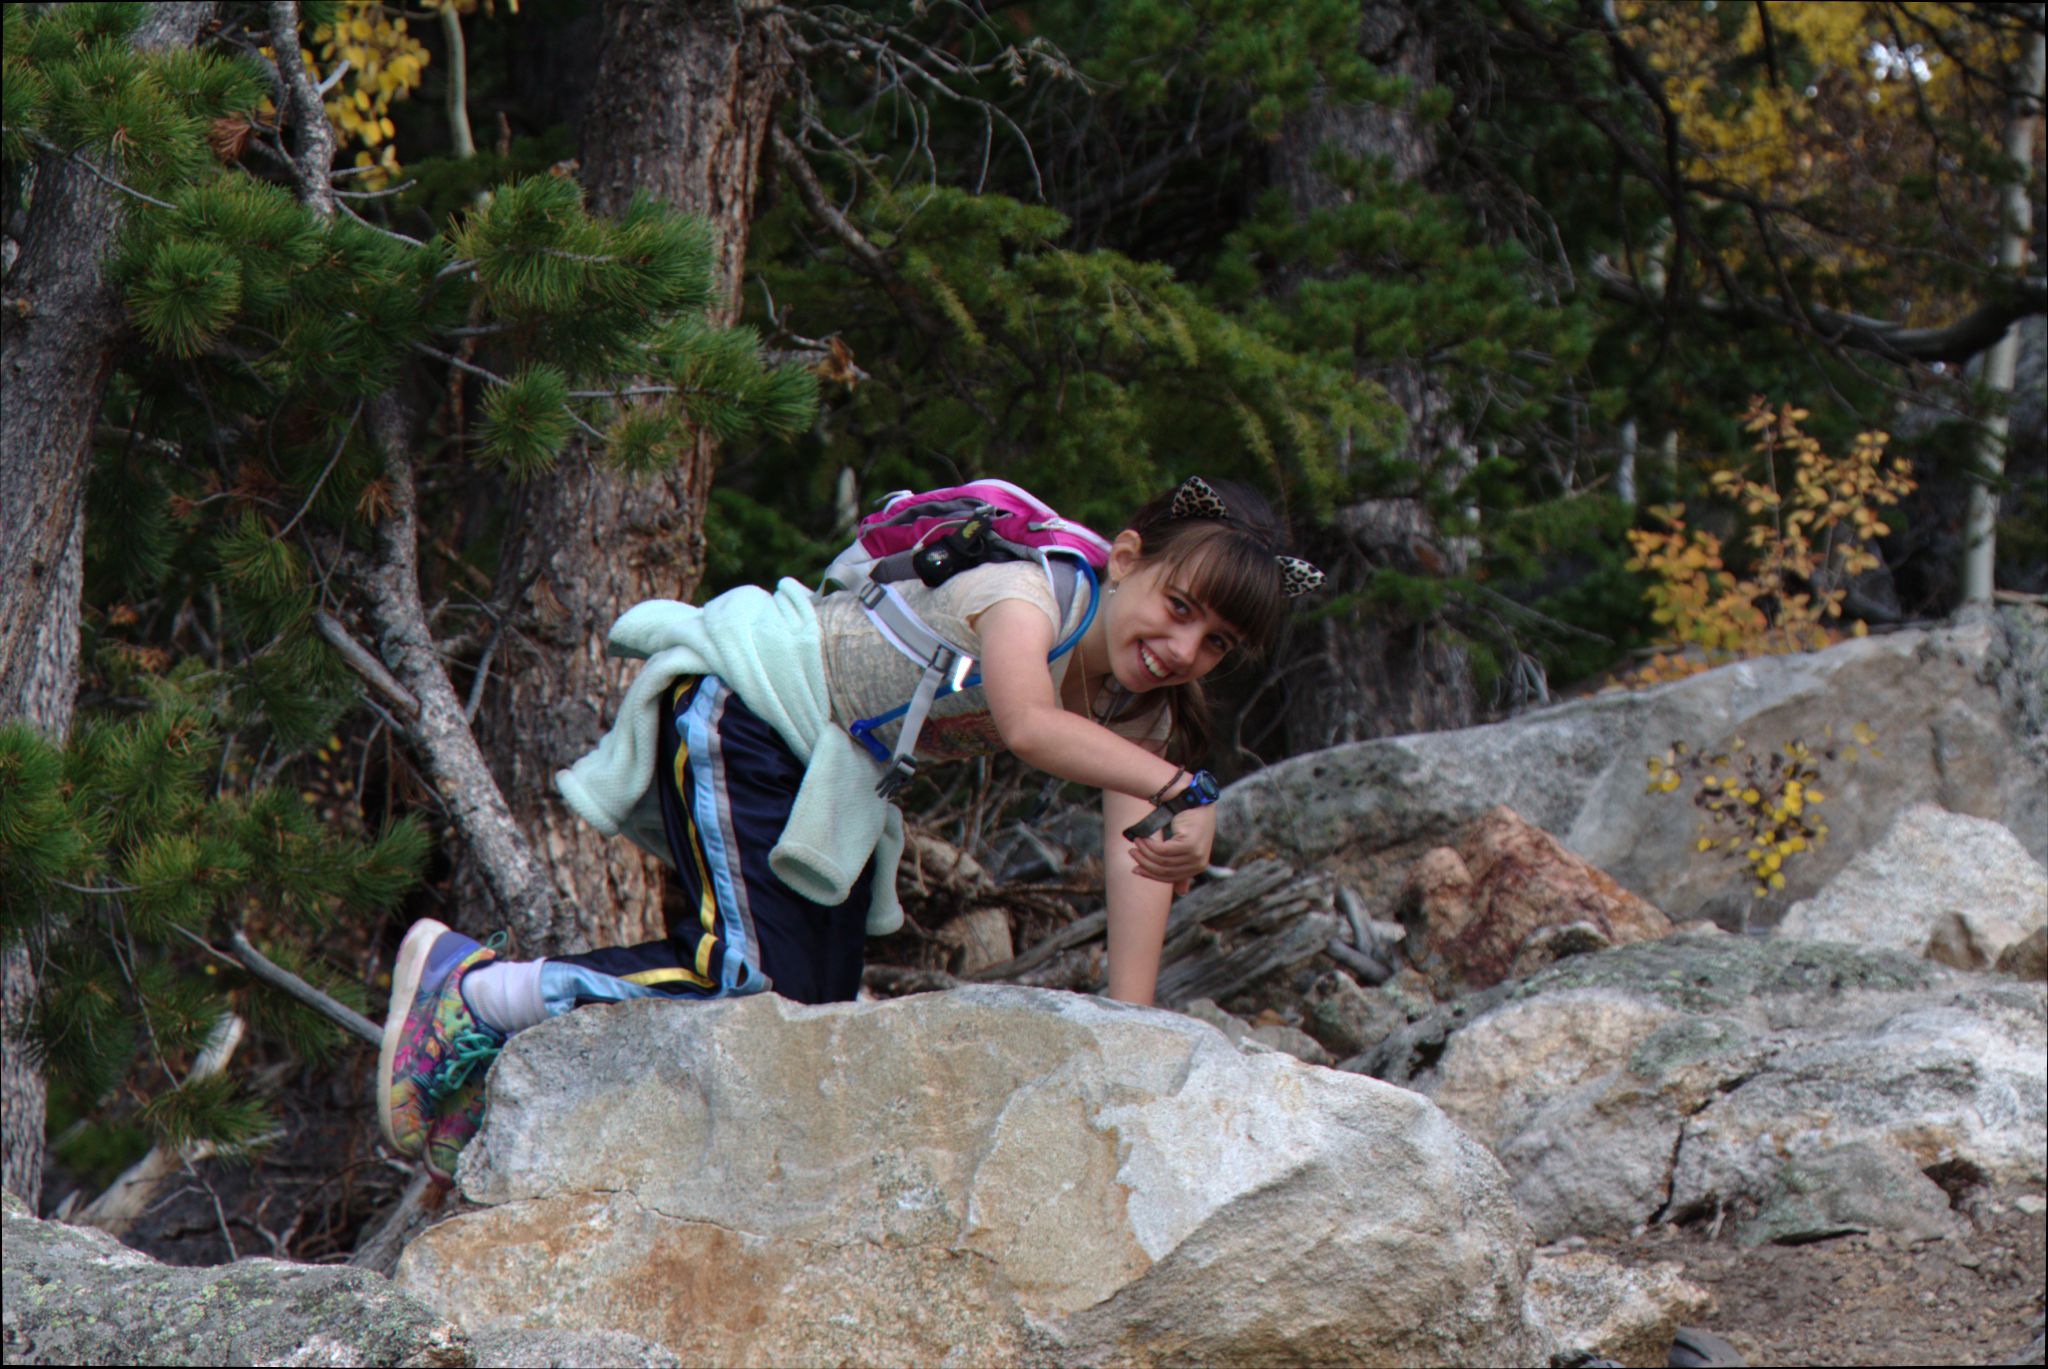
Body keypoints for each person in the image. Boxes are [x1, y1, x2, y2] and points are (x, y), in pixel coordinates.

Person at [376, 476, 1322, 1183]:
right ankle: (478, 993)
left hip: (817, 770)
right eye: (1179, 607)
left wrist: (1135, 1036)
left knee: (809, 1032)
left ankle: (488, 1082)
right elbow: (1032, 724)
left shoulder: (1138, 703)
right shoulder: (1031, 592)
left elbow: (1141, 856)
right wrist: (1188, 788)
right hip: (747, 704)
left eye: (1217, 646)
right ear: (1125, 559)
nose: (1183, 650)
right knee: (742, 989)